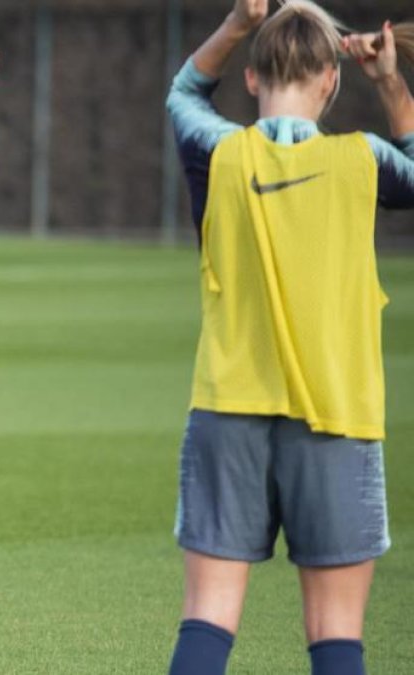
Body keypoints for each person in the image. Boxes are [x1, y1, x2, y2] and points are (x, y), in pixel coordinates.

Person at [164, 2, 414, 673]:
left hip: (228, 409)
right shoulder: (364, 160)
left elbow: (183, 92)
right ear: (332, 80)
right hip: (337, 416)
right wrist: (390, 84)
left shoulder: (216, 151)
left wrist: (237, 24)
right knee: (336, 635)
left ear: (251, 78)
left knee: (207, 619)